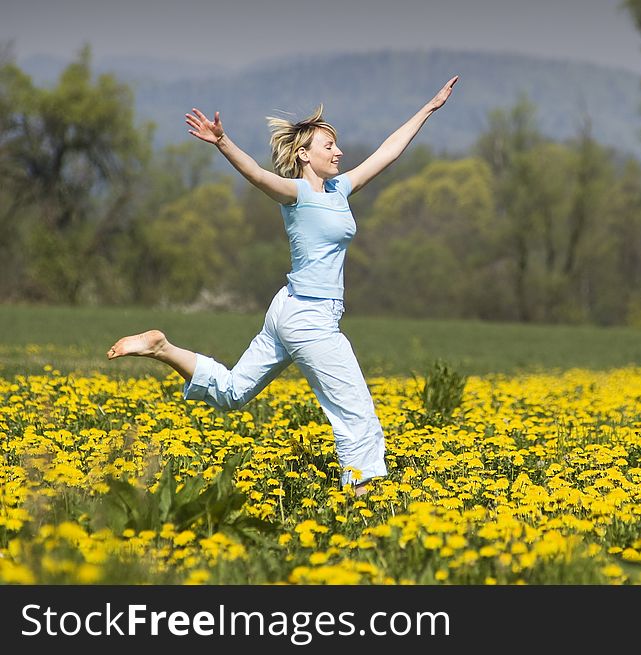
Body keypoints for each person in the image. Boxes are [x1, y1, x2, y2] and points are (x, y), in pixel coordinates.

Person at [107, 75, 459, 496]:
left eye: (337, 145)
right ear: (304, 155)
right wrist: (223, 142)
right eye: (329, 146)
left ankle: (161, 347)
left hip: (288, 310)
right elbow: (255, 174)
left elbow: (387, 152)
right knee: (356, 410)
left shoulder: (339, 189)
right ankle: (366, 502)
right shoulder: (296, 194)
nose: (339, 152)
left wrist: (429, 107)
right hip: (309, 317)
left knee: (233, 392)